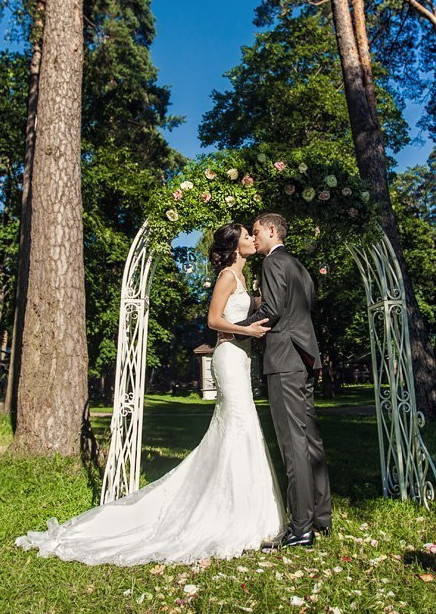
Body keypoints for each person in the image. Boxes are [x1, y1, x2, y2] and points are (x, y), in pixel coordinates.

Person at [15, 223, 284, 566]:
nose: (251, 239)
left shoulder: (244, 278)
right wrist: (245, 329)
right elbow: (214, 320)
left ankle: (251, 509)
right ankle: (229, 514)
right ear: (234, 246)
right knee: (238, 425)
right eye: (247, 235)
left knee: (243, 427)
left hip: (242, 357)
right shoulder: (228, 277)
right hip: (229, 357)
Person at [236, 213, 332, 549]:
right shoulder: (299, 266)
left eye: (258, 230)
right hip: (303, 357)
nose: (255, 236)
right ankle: (321, 517)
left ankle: (301, 528)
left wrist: (238, 328)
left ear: (273, 229)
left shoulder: (273, 263)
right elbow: (303, 310)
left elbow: (273, 310)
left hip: (284, 360)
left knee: (293, 445)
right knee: (311, 440)